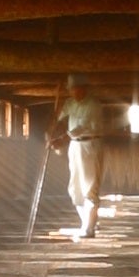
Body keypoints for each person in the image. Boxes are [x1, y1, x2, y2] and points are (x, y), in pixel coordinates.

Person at [48, 73, 108, 239]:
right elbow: (59, 117)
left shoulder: (93, 105)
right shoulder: (69, 103)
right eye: (71, 89)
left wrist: (62, 139)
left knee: (89, 187)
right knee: (75, 188)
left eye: (76, 88)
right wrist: (54, 126)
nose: (73, 92)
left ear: (84, 88)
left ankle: (89, 229)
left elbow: (83, 126)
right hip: (75, 146)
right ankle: (88, 222)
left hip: (90, 145)